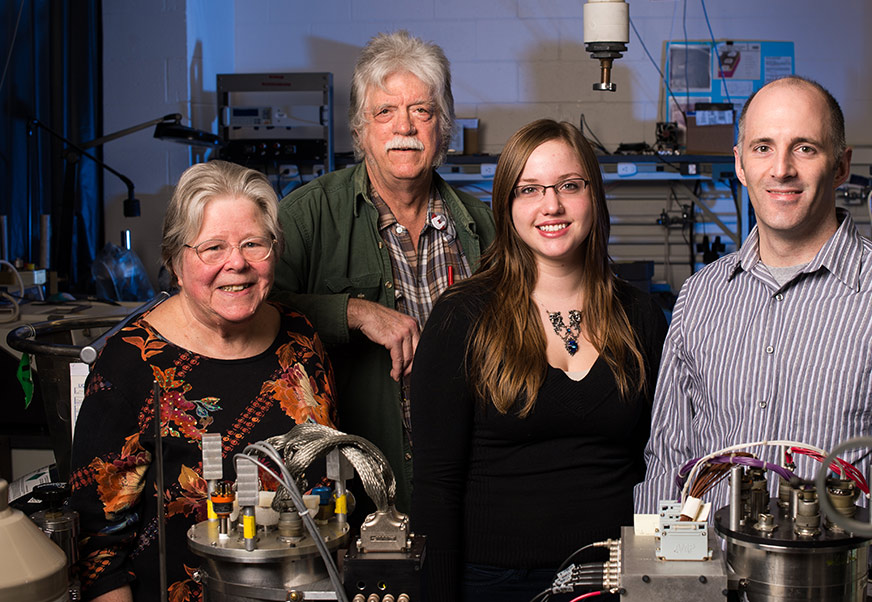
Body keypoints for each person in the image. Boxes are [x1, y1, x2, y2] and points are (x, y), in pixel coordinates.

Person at [634, 76, 872, 601]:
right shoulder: (700, 299)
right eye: (763, 147)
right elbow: (670, 465)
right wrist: (665, 587)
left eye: (804, 148)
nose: (781, 168)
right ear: (741, 163)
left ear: (840, 164)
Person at [410, 119, 668, 602]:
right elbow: (435, 484)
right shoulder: (463, 316)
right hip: (493, 583)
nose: (552, 205)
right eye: (529, 189)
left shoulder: (640, 315)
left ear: (594, 194)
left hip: (614, 578)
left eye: (569, 185)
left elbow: (658, 460)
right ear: (506, 206)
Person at [70, 161, 337, 602]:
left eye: (254, 243)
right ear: (176, 261)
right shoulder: (130, 364)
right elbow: (98, 548)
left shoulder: (301, 340)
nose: (237, 263)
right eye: (213, 248)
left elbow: (328, 478)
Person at [274, 30, 495, 513]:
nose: (405, 127)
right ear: (359, 130)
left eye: (422, 110)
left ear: (443, 127)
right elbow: (256, 309)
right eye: (385, 112)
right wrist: (353, 312)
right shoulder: (308, 216)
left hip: (472, 481)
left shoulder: (481, 225)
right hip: (355, 492)